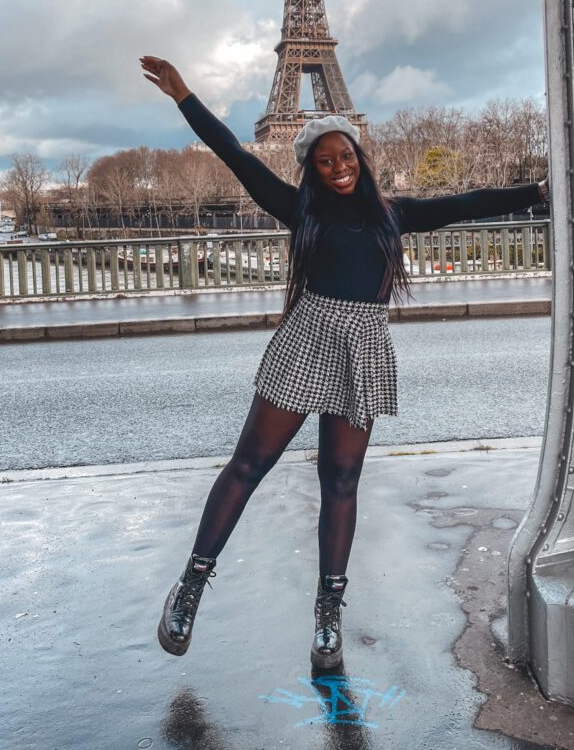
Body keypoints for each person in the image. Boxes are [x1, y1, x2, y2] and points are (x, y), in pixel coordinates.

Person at [140, 54, 548, 667]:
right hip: (308, 338)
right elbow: (234, 155)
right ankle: (191, 586)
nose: (339, 167)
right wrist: (184, 96)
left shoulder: (394, 214)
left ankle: (328, 613)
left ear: (360, 156)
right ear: (311, 168)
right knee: (249, 464)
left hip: (364, 345)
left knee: (342, 481)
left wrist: (539, 192)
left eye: (346, 156)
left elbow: (468, 202)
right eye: (326, 161)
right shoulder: (299, 209)